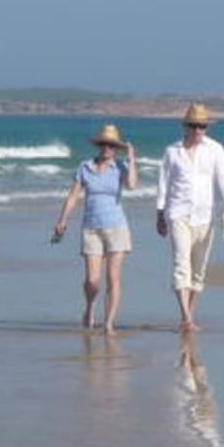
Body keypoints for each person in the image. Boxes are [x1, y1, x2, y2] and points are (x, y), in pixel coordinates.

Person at [153, 103, 224, 332]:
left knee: (198, 270)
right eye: (193, 126)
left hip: (205, 216)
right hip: (178, 214)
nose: (197, 130)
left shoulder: (215, 149)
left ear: (206, 128)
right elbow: (164, 184)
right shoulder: (172, 151)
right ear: (185, 126)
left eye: (202, 126)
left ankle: (189, 316)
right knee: (181, 264)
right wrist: (160, 213)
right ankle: (186, 316)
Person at [52, 125, 137, 331]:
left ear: (116, 149)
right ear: (99, 146)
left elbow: (132, 185)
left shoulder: (120, 167)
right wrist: (62, 220)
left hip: (116, 227)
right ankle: (90, 307)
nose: (107, 148)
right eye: (104, 144)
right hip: (91, 228)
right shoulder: (85, 167)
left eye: (112, 145)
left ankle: (108, 323)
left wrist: (131, 158)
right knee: (92, 280)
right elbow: (73, 196)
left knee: (113, 278)